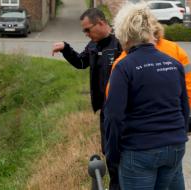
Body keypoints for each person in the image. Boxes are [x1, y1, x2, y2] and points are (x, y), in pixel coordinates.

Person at [104, 2, 189, 190]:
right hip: (174, 146)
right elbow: (185, 107)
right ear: (152, 32)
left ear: (124, 36)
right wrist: (178, 136)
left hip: (140, 150)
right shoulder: (174, 64)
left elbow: (114, 117)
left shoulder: (124, 67)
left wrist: (112, 153)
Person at [52, 8, 122, 190]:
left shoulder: (120, 43)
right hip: (105, 111)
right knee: (108, 153)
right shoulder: (93, 45)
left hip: (121, 111)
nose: (86, 34)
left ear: (100, 23)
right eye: (84, 31)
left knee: (121, 155)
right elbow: (81, 62)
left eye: (87, 30)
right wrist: (66, 49)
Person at [106, 17, 191, 136]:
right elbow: (190, 86)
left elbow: (112, 100)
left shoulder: (124, 59)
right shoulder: (175, 50)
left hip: (140, 133)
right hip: (174, 127)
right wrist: (190, 121)